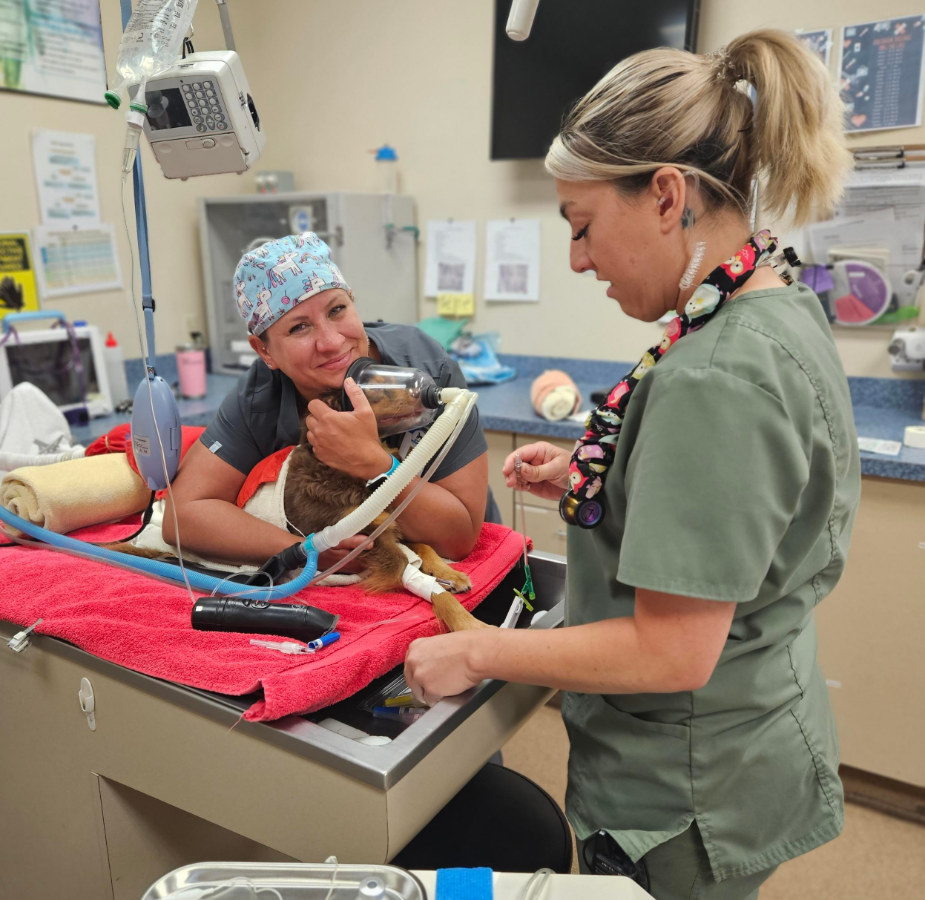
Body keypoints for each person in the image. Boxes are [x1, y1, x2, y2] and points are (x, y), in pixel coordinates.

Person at [404, 29, 861, 899]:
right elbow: (748, 500)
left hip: (685, 789)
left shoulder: (714, 375)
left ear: (664, 195)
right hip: (750, 728)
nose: (577, 259)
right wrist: (604, 470)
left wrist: (478, 656)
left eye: (581, 227)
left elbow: (669, 653)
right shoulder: (771, 306)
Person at [163, 231, 496, 570]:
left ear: (352, 301)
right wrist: (305, 550)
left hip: (460, 574)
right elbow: (182, 517)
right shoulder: (260, 398)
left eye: (337, 310)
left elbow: (459, 539)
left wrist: (374, 465)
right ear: (264, 351)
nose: (331, 341)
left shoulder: (424, 367)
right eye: (299, 328)